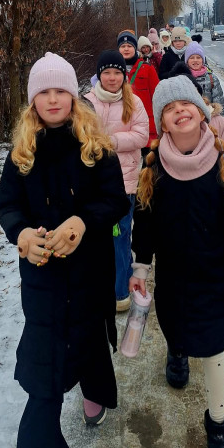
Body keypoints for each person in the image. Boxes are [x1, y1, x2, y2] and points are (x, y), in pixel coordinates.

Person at [0, 52, 130, 448]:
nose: (53, 99)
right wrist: (22, 235)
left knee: (89, 336)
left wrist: (83, 222)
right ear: (33, 101)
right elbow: (8, 206)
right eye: (44, 92)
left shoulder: (96, 146)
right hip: (42, 281)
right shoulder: (21, 154)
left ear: (74, 96)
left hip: (88, 270)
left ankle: (95, 392)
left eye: (61, 91)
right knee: (44, 368)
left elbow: (116, 201)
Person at [130, 73, 224, 448]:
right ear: (162, 123)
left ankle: (219, 428)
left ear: (201, 113)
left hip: (215, 281)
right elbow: (144, 225)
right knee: (175, 326)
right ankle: (176, 351)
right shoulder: (155, 170)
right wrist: (140, 267)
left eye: (185, 104)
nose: (179, 111)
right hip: (174, 280)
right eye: (168, 108)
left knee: (215, 350)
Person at [85, 50, 149, 312]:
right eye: (107, 72)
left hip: (125, 183)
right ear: (99, 75)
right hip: (92, 184)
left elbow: (141, 136)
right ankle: (97, 288)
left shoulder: (134, 102)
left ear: (124, 75)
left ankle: (120, 291)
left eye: (117, 72)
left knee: (119, 236)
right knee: (94, 239)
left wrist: (110, 143)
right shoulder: (86, 103)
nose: (112, 78)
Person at [117, 29, 160, 149]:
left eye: (129, 46)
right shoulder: (114, 72)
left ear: (135, 48)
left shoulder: (147, 68)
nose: (126, 49)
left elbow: (157, 97)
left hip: (147, 128)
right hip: (123, 127)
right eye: (123, 46)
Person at [184, 41, 224, 117]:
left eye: (198, 57)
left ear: (203, 60)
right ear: (187, 61)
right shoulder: (183, 79)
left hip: (209, 118)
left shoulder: (212, 78)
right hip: (190, 120)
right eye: (192, 58)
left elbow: (219, 103)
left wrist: (222, 123)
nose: (195, 60)